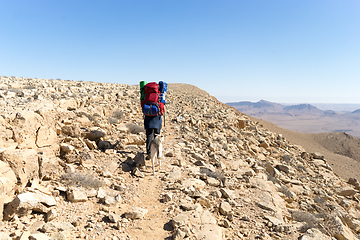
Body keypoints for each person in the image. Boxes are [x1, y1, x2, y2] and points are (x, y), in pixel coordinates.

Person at [140, 81, 167, 159]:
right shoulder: (159, 95)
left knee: (149, 135)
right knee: (156, 135)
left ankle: (149, 153)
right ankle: (158, 153)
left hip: (148, 117)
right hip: (157, 117)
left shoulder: (146, 95)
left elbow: (142, 105)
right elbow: (162, 108)